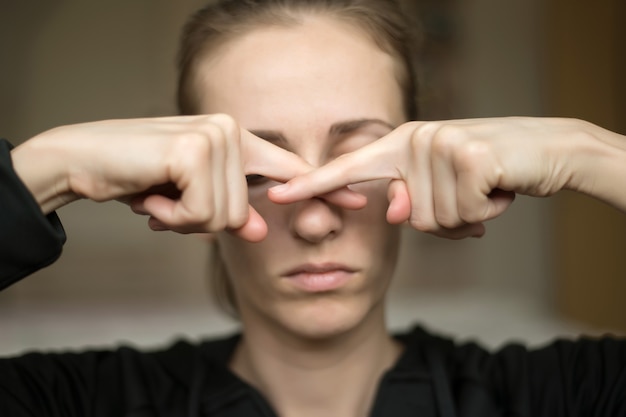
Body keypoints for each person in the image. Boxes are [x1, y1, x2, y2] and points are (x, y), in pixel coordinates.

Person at [1, 0, 625, 416]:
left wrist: (587, 151)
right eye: (254, 170)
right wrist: (49, 166)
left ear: (424, 166)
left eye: (361, 158)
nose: (315, 220)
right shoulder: (77, 402)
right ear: (181, 189)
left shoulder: (560, 397)